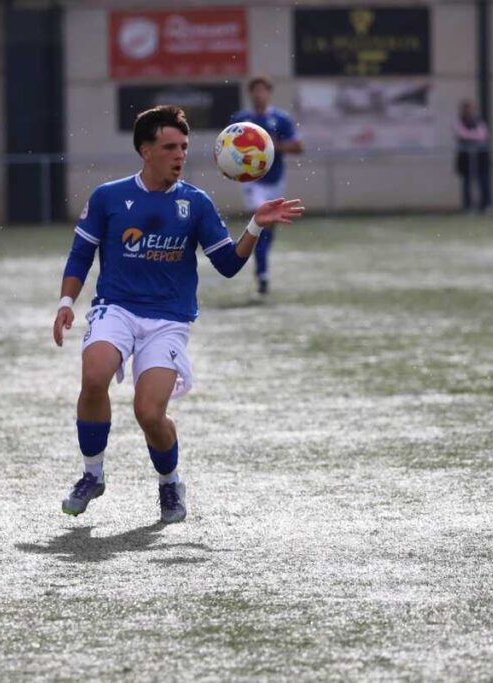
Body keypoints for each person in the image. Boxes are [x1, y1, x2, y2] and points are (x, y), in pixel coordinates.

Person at [52, 105, 304, 523]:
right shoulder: (108, 197)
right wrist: (66, 304)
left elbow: (226, 264)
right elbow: (81, 254)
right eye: (170, 146)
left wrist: (256, 226)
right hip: (115, 307)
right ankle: (91, 474)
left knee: (149, 414)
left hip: (168, 320)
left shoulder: (196, 204)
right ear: (145, 150)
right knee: (94, 375)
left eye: (184, 147)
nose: (180, 154)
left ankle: (170, 482)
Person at [229, 76, 303, 296]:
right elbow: (228, 147)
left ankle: (262, 265)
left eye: (263, 91)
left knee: (270, 226)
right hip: (252, 181)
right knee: (260, 223)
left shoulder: (281, 119)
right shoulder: (241, 120)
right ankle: (262, 273)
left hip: (275, 179)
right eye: (255, 91)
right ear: (250, 94)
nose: (259, 95)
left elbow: (298, 147)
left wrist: (273, 146)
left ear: (269, 93)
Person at [453, 99, 492, 213]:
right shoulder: (459, 122)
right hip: (465, 157)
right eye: (467, 109)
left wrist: (471, 136)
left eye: (471, 109)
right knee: (467, 183)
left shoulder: (479, 122)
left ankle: (486, 205)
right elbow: (462, 134)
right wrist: (473, 136)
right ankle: (468, 207)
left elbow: (483, 135)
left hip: (480, 157)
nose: (469, 112)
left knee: (483, 181)